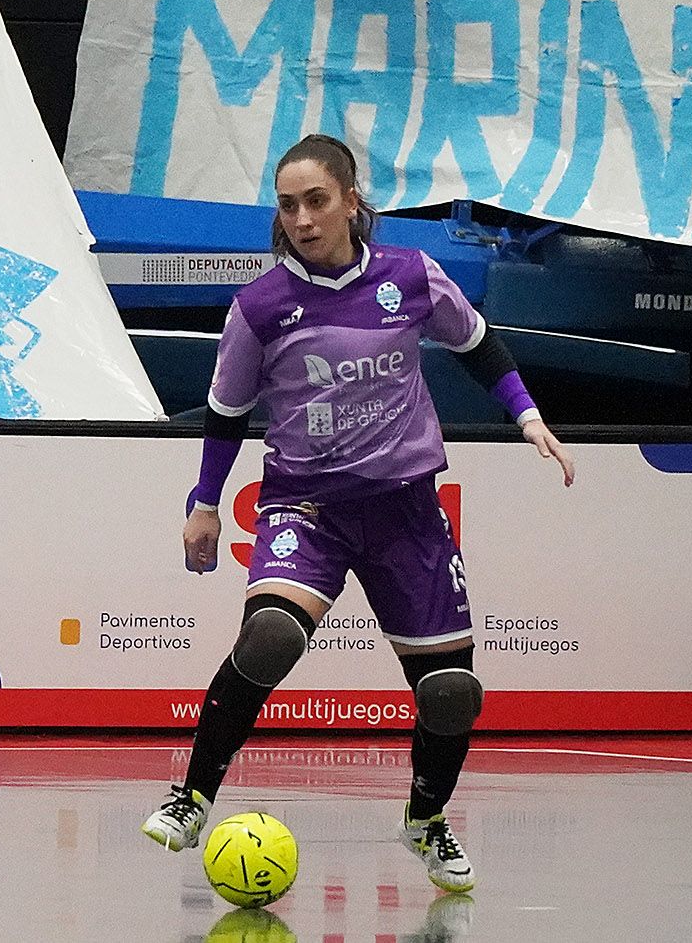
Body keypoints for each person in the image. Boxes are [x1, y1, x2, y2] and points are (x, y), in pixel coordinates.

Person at [140, 134, 573, 894]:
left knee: (449, 691)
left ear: (349, 200)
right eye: (287, 204)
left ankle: (426, 819)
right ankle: (194, 795)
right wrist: (203, 504)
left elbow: (476, 343)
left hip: (405, 510)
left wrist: (526, 414)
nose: (302, 218)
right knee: (270, 633)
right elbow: (224, 411)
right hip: (305, 507)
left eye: (315, 200)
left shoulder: (410, 275)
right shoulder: (262, 305)